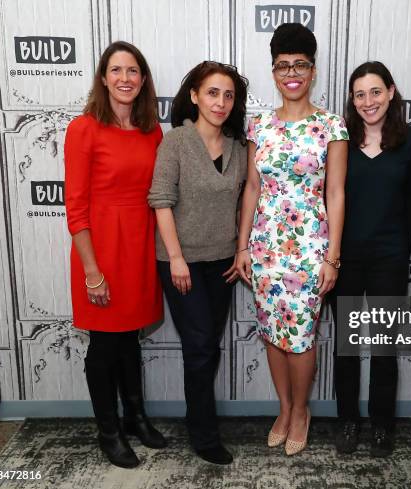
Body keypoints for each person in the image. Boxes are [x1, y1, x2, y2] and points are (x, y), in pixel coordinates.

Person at [236, 23, 348, 456]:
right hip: (265, 249)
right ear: (274, 72)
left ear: (313, 70)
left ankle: (301, 410)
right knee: (271, 332)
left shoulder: (330, 126)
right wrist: (243, 245)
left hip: (309, 250)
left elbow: (335, 193)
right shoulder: (259, 126)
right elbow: (251, 187)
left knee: (300, 336)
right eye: (283, 66)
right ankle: (283, 408)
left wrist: (332, 256)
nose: (291, 73)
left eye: (300, 64)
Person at [64, 41, 167, 469]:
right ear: (103, 78)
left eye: (133, 71)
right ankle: (108, 432)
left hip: (139, 246)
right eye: (116, 70)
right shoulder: (83, 128)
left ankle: (135, 418)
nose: (125, 78)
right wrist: (92, 270)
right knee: (104, 345)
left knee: (129, 340)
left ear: (142, 80)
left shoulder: (152, 131)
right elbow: (76, 207)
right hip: (101, 251)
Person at [148, 61, 248, 465]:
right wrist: (175, 258)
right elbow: (160, 201)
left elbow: (244, 203)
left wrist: (240, 250)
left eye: (228, 95)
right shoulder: (175, 142)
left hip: (222, 263)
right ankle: (204, 436)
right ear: (193, 95)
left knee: (207, 347)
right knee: (201, 347)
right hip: (181, 263)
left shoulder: (239, 148)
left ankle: (200, 421)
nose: (220, 102)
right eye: (212, 93)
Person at [331, 61, 411, 457]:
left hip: (389, 259)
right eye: (360, 94)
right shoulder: (339, 140)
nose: (369, 101)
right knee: (348, 346)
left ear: (390, 92)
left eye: (375, 92)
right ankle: (348, 420)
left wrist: (400, 252)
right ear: (352, 101)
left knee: (385, 347)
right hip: (345, 259)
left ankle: (382, 425)